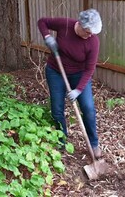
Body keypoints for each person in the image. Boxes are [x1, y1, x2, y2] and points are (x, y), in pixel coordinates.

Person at [37, 8, 102, 159]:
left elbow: (90, 69)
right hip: (56, 71)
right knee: (57, 108)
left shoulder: (93, 42)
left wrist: (78, 90)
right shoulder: (65, 25)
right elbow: (42, 22)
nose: (90, 34)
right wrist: (47, 37)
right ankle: (61, 140)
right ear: (79, 24)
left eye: (93, 32)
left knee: (88, 108)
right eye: (87, 31)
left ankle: (93, 143)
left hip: (79, 74)